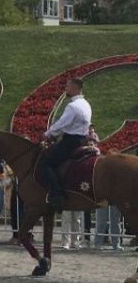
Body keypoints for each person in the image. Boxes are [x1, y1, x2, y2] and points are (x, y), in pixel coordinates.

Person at [39, 77, 92, 210]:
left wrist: (48, 134)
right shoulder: (86, 104)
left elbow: (63, 123)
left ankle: (57, 194)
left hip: (70, 142)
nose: (66, 89)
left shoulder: (73, 106)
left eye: (68, 86)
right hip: (82, 140)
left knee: (44, 161)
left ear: (75, 88)